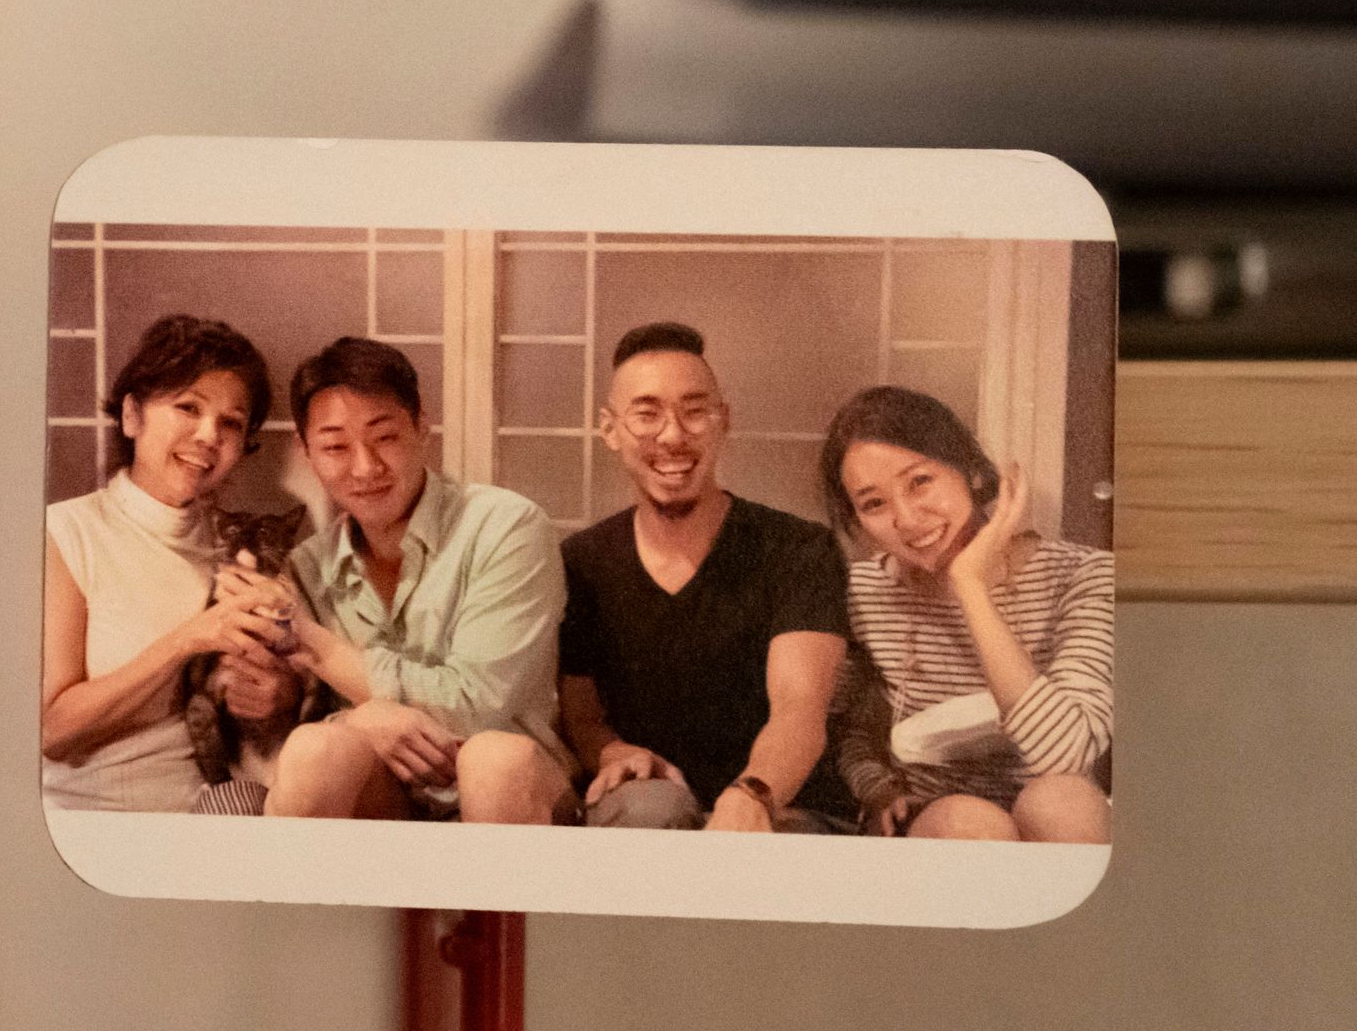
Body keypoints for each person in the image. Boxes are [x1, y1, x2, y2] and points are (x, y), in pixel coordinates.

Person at [555, 322, 853, 832]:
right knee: (649, 811)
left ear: (723, 421)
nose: (673, 436)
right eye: (646, 415)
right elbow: (581, 713)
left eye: (694, 412)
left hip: (783, 802)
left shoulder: (799, 549)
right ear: (610, 429)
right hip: (648, 805)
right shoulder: (582, 560)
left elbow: (799, 710)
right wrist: (612, 752)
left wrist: (753, 793)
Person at [264, 338, 574, 824]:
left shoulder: (505, 526)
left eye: (384, 436)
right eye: (335, 447)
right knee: (313, 749)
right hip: (391, 792)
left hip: (517, 789)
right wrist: (359, 716)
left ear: (421, 426)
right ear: (307, 452)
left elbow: (477, 705)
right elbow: (300, 713)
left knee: (491, 761)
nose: (365, 468)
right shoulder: (308, 565)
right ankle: (301, 904)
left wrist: (320, 649)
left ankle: (494, 905)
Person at [822, 384, 1115, 843]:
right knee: (970, 823)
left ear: (973, 474)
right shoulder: (863, 592)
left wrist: (971, 587)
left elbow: (1066, 755)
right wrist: (877, 789)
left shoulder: (1085, 576)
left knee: (1062, 801)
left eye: (920, 481)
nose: (907, 518)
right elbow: (849, 728)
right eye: (874, 503)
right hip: (934, 821)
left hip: (1056, 809)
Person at [39, 312, 303, 811]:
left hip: (221, 807)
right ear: (132, 415)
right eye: (188, 407)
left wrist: (277, 695)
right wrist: (189, 639)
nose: (209, 435)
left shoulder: (237, 545)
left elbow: (266, 711)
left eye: (231, 423)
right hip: (98, 815)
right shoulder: (66, 533)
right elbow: (52, 732)